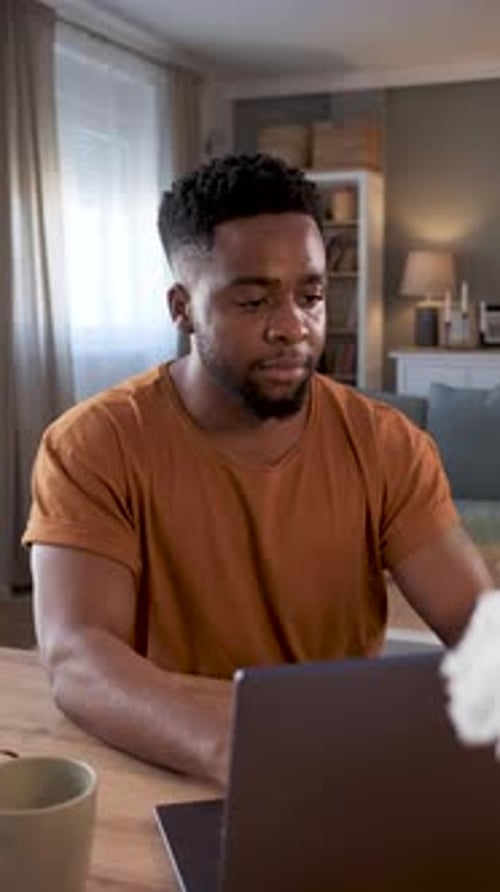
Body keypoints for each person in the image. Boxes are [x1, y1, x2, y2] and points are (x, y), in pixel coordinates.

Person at [23, 153, 492, 787]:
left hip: (332, 763)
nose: (293, 327)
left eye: (312, 295)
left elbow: (476, 622)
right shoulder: (92, 446)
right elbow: (79, 656)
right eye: (253, 300)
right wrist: (236, 752)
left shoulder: (387, 446)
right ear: (182, 308)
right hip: (160, 754)